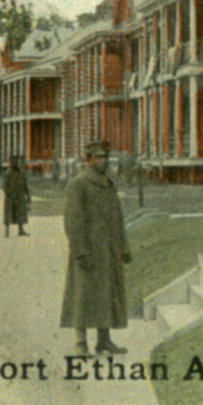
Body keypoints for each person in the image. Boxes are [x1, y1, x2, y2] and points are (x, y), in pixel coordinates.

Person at [59, 140, 132, 356]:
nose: (102, 161)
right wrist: (80, 251)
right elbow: (73, 221)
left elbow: (117, 218)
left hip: (108, 251)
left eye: (105, 157)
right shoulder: (78, 184)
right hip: (88, 252)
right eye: (97, 157)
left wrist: (124, 247)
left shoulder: (108, 184)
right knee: (82, 296)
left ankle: (104, 341)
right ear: (88, 160)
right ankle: (80, 344)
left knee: (107, 295)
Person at [2, 155, 31, 237]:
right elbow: (4, 185)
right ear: (10, 163)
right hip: (10, 198)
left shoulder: (22, 173)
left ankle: (21, 230)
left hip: (20, 197)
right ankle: (7, 231)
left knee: (20, 213)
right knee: (8, 214)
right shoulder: (7, 174)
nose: (15, 164)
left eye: (16, 162)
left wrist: (28, 196)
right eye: (13, 162)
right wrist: (8, 193)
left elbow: (25, 186)